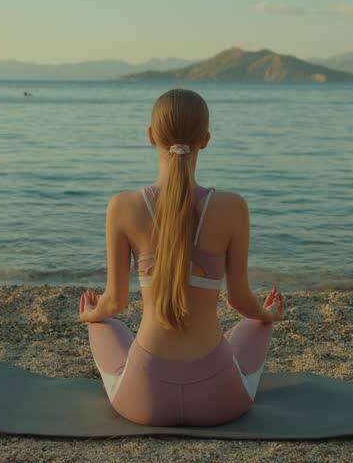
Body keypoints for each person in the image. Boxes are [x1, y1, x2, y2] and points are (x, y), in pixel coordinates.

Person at [78, 88, 285, 427]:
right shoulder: (232, 207)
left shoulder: (122, 207)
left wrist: (90, 314)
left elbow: (114, 302)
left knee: (106, 323)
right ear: (205, 140)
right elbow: (240, 300)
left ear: (150, 136)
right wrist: (268, 313)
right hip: (219, 401)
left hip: (144, 400)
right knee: (256, 322)